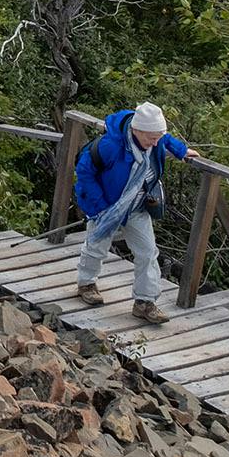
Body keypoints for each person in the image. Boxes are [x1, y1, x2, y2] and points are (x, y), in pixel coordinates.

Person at [72, 100, 202, 323]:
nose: (155, 143)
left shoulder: (155, 140)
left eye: (158, 137)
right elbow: (84, 171)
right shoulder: (110, 145)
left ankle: (145, 302)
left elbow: (165, 139)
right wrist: (100, 206)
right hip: (107, 205)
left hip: (137, 206)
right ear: (136, 130)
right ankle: (86, 284)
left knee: (148, 251)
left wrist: (181, 151)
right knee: (97, 245)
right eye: (151, 137)